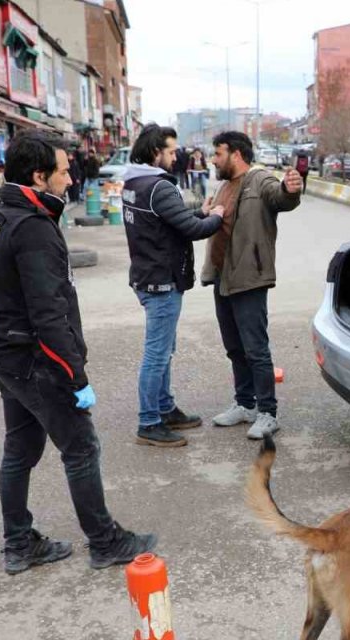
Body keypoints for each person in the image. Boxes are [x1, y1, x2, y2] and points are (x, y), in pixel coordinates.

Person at [0, 129, 157, 575]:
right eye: (62, 172)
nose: (71, 178)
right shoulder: (33, 227)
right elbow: (48, 313)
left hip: (9, 353)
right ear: (38, 177)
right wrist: (74, 376)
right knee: (81, 448)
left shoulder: (4, 213)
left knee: (20, 449)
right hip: (34, 360)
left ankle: (19, 543)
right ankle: (105, 541)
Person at [122, 124, 224, 447]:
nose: (174, 156)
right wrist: (217, 216)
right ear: (156, 153)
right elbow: (191, 230)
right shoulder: (159, 186)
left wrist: (198, 211)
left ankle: (165, 408)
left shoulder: (133, 183)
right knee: (157, 354)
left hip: (146, 276)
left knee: (164, 351)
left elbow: (166, 220)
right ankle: (149, 422)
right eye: (170, 151)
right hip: (161, 282)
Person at [201, 131, 302, 440]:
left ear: (236, 154)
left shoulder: (260, 180)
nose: (214, 160)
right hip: (222, 277)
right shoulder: (223, 186)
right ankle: (245, 404)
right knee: (235, 348)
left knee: (255, 349)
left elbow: (280, 197)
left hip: (249, 277)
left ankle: (268, 413)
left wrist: (290, 189)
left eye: (218, 154)